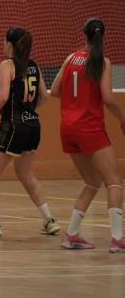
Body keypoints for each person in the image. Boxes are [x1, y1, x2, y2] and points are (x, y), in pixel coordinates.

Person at [0, 27, 60, 238]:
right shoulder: (34, 66)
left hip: (12, 125)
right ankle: (49, 220)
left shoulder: (6, 65)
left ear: (10, 45)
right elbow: (45, 96)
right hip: (33, 126)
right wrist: (28, 111)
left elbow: (3, 97)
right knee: (26, 174)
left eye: (4, 42)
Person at [50, 18, 125, 252]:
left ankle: (71, 234)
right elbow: (108, 97)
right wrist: (123, 118)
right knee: (114, 181)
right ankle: (117, 238)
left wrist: (74, 102)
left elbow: (54, 90)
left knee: (92, 182)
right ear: (103, 36)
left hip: (68, 128)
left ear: (84, 35)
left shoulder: (71, 58)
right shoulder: (102, 62)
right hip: (89, 127)